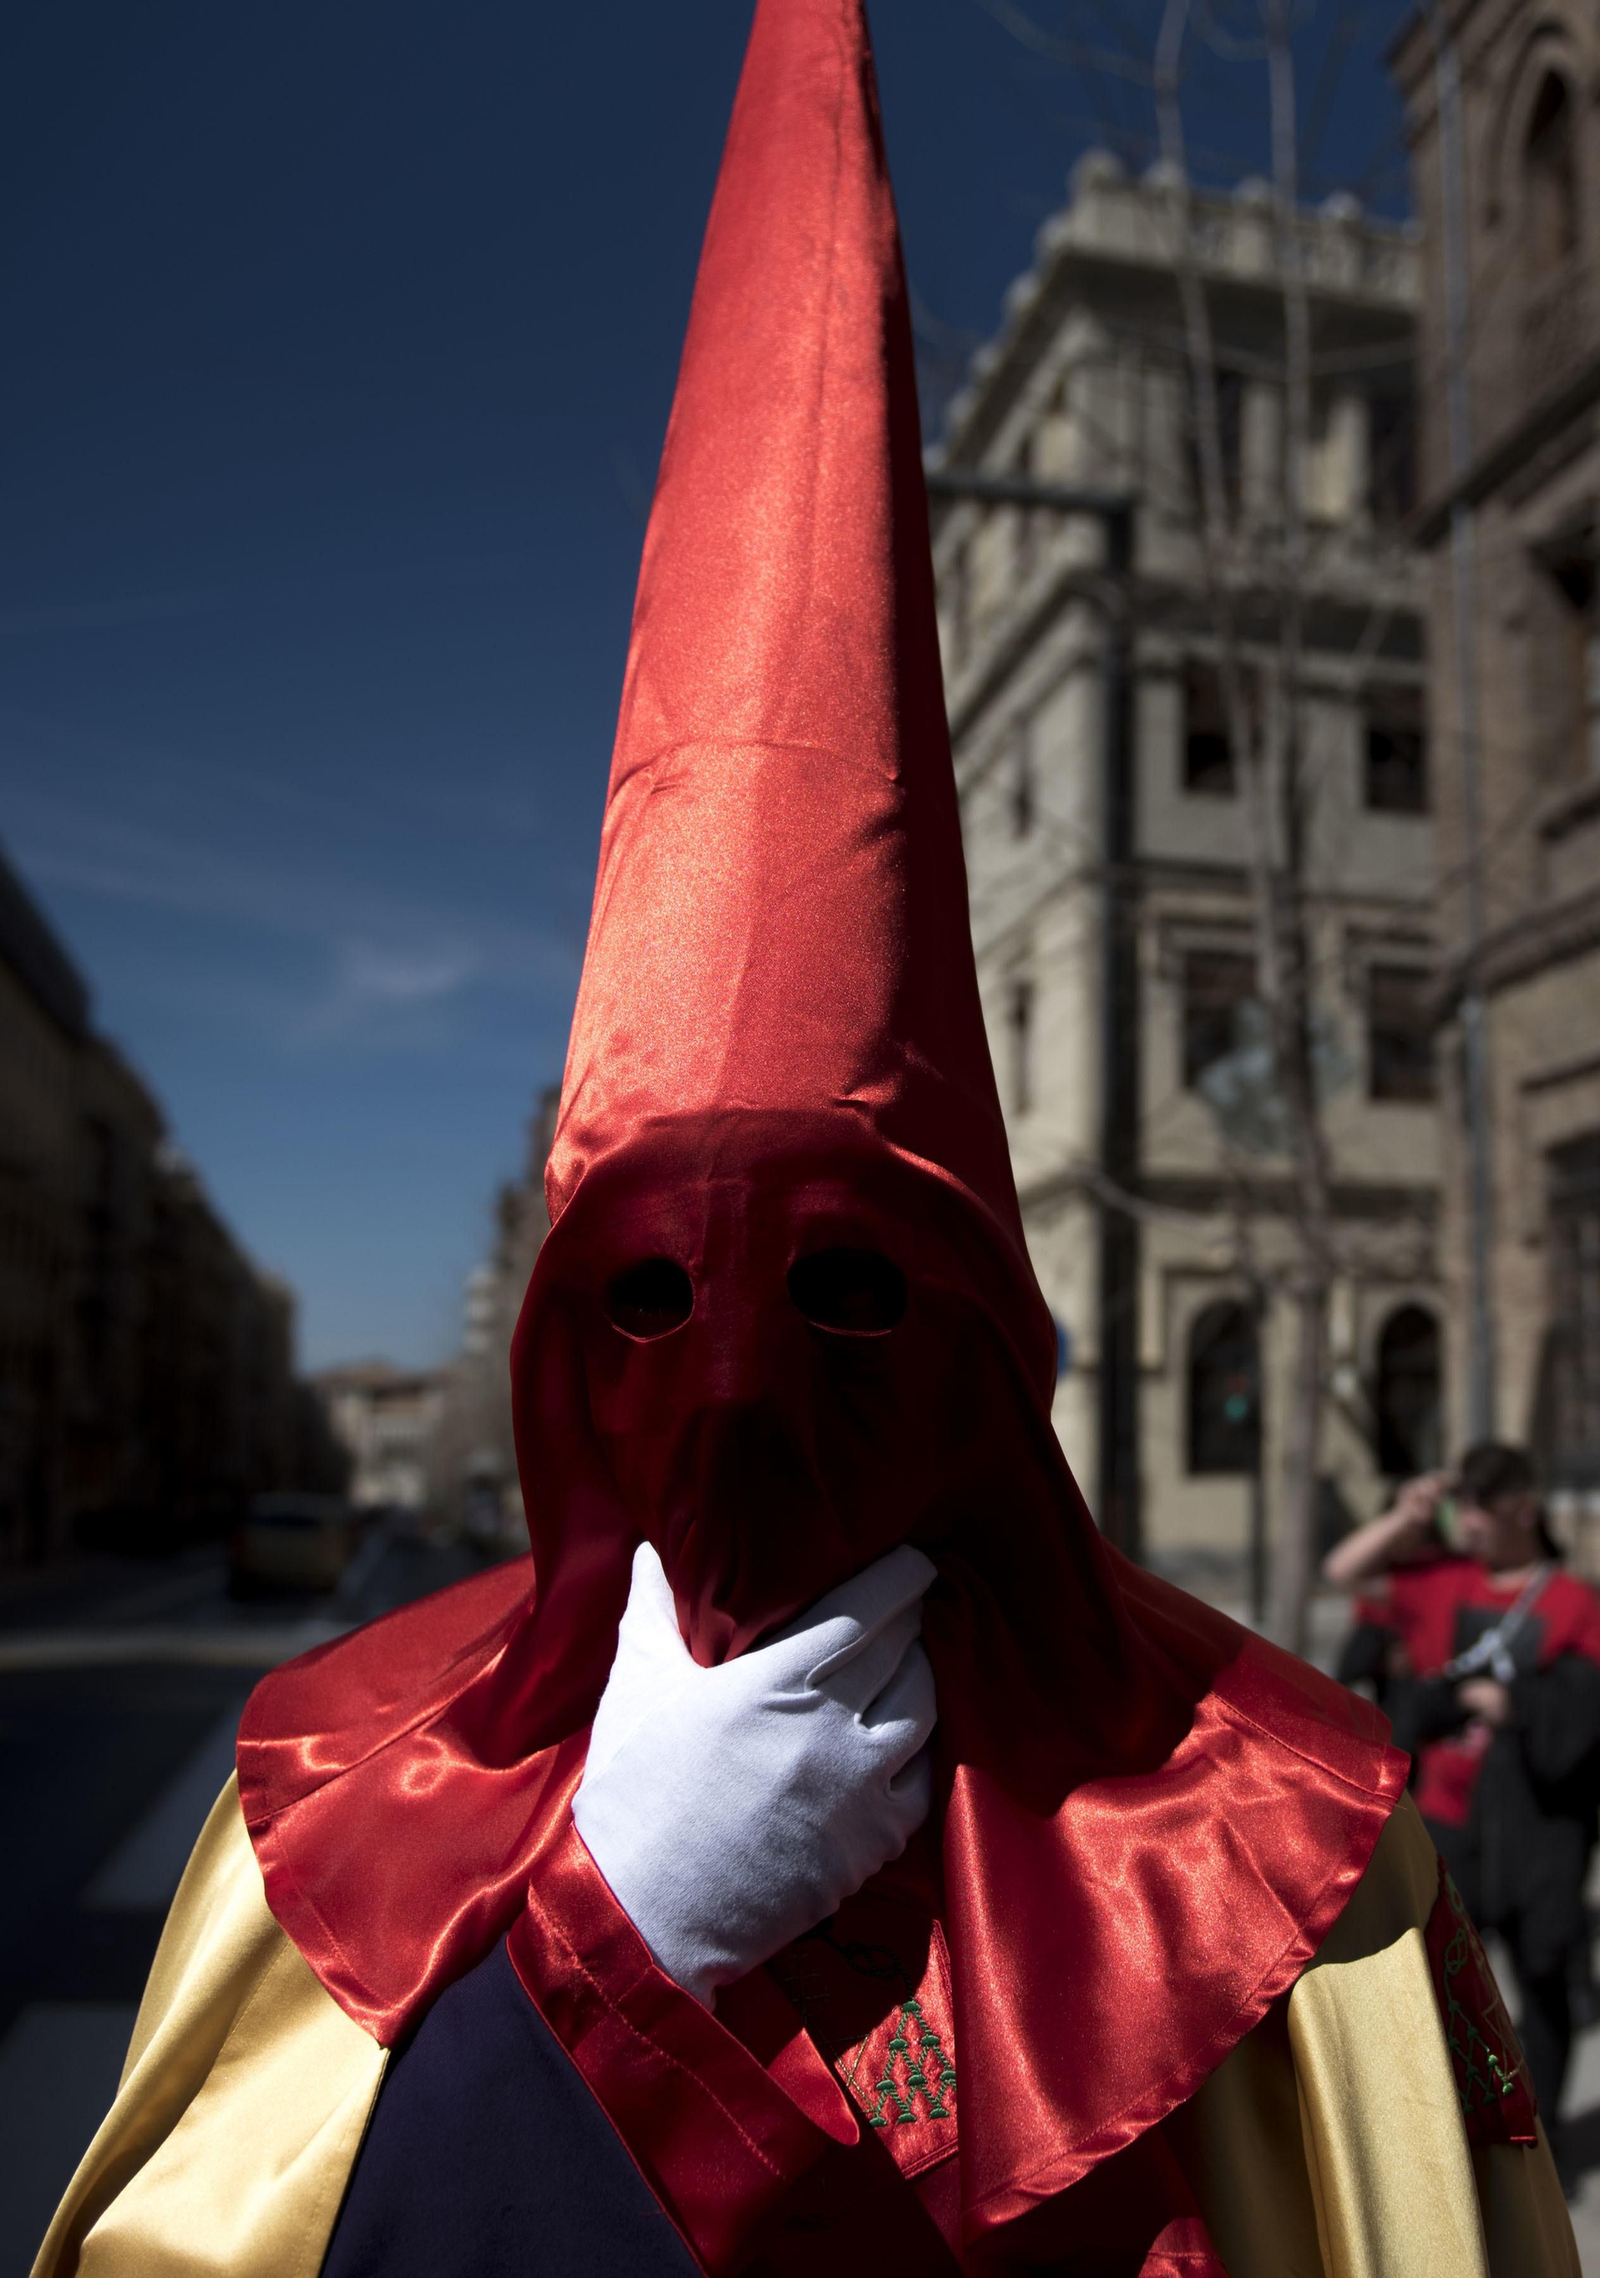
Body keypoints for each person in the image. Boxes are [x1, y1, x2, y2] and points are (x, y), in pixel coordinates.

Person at [36, 4, 1575, 2273]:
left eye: (848, 1287)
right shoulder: (340, 1804)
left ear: (981, 1326)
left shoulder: (1294, 1856)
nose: (745, 1385)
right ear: (556, 1354)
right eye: (653, 1296)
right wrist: (595, 1952)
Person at [1325, 1443, 1600, 2152]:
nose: (1469, 1523)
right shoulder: (1443, 1579)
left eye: (1483, 1509)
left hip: (1539, 1827)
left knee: (1541, 1978)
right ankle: (1459, 2136)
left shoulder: (1574, 1603)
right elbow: (1344, 1570)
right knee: (1444, 1985)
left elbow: (1587, 1716)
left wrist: (1520, 1707)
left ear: (1523, 1510)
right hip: (1445, 1820)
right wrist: (1409, 1514)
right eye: (1463, 1508)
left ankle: (1538, 2137)